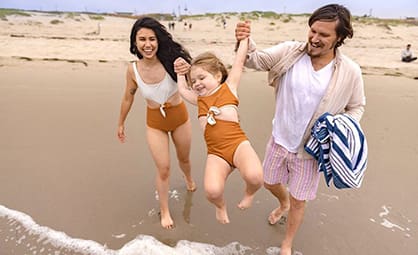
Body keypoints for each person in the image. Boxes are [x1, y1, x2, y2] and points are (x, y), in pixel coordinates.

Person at [235, 4, 366, 255]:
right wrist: (245, 41)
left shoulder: (350, 71)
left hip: (310, 152)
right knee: (269, 181)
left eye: (324, 35)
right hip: (280, 139)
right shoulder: (290, 52)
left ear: (340, 38)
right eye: (313, 31)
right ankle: (282, 201)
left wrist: (341, 128)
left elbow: (357, 106)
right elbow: (255, 60)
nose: (315, 39)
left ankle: (287, 244)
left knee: (299, 201)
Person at [173, 34, 263, 224]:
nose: (196, 83)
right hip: (216, 153)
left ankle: (249, 193)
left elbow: (238, 62)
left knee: (255, 177)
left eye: (201, 77)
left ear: (217, 75)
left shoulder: (229, 87)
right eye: (193, 80)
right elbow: (182, 89)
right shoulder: (198, 100)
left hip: (238, 144)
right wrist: (180, 73)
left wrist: (244, 38)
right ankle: (220, 206)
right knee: (212, 191)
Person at [117, 17, 196, 229]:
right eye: (142, 39)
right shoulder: (132, 70)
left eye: (152, 38)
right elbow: (128, 97)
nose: (148, 44)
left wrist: (188, 69)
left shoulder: (172, 60)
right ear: (135, 43)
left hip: (179, 118)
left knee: (184, 159)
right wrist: (121, 123)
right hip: (154, 123)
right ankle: (165, 211)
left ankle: (189, 179)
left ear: (158, 40)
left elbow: (194, 83)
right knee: (163, 169)